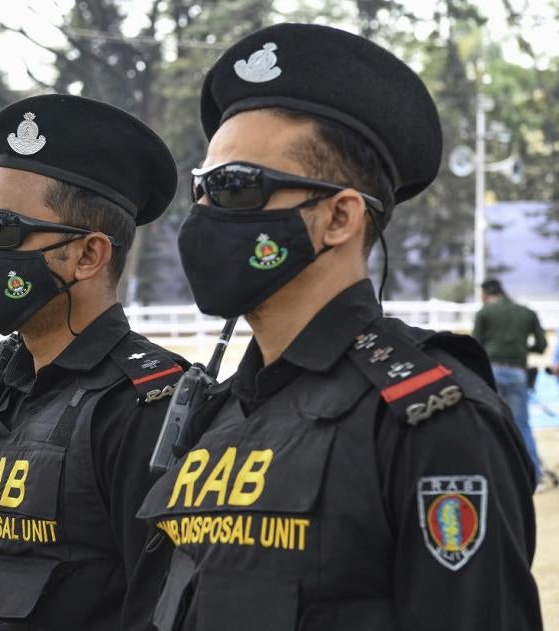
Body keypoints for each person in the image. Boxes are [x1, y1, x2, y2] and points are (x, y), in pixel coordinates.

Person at [135, 23, 542, 631]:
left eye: (235, 187)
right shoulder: (214, 414)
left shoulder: (430, 420)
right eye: (203, 188)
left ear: (339, 217)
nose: (202, 215)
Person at [0, 94, 188, 631]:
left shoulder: (146, 405)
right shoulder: (6, 385)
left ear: (88, 255)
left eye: (3, 230)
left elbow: (161, 609)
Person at [473, 278, 547, 485]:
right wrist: (522, 350)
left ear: (485, 294)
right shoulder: (526, 312)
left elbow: (474, 345)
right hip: (518, 372)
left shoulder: (485, 313)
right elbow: (541, 345)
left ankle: (497, 475)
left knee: (492, 422)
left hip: (492, 371)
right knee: (522, 423)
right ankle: (535, 477)